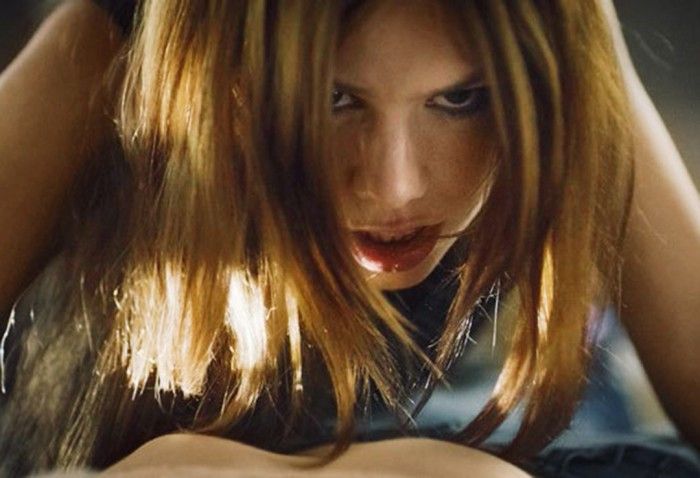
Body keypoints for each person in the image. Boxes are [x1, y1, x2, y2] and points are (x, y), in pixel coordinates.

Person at [0, 0, 698, 476]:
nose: (394, 188)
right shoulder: (115, 46)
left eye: (460, 99)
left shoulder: (554, 31)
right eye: (332, 100)